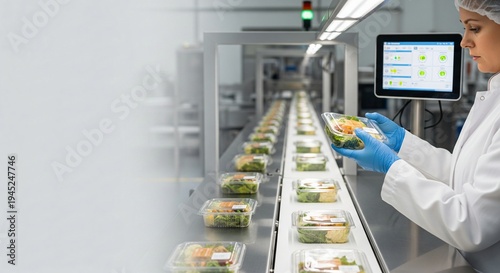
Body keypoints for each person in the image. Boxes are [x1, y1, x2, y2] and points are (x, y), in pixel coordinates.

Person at [330, 1, 500, 272]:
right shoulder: (494, 96)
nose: (464, 42)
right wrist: (402, 144)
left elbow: (471, 225)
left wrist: (391, 166)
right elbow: (464, 177)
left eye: (475, 29)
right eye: (464, 29)